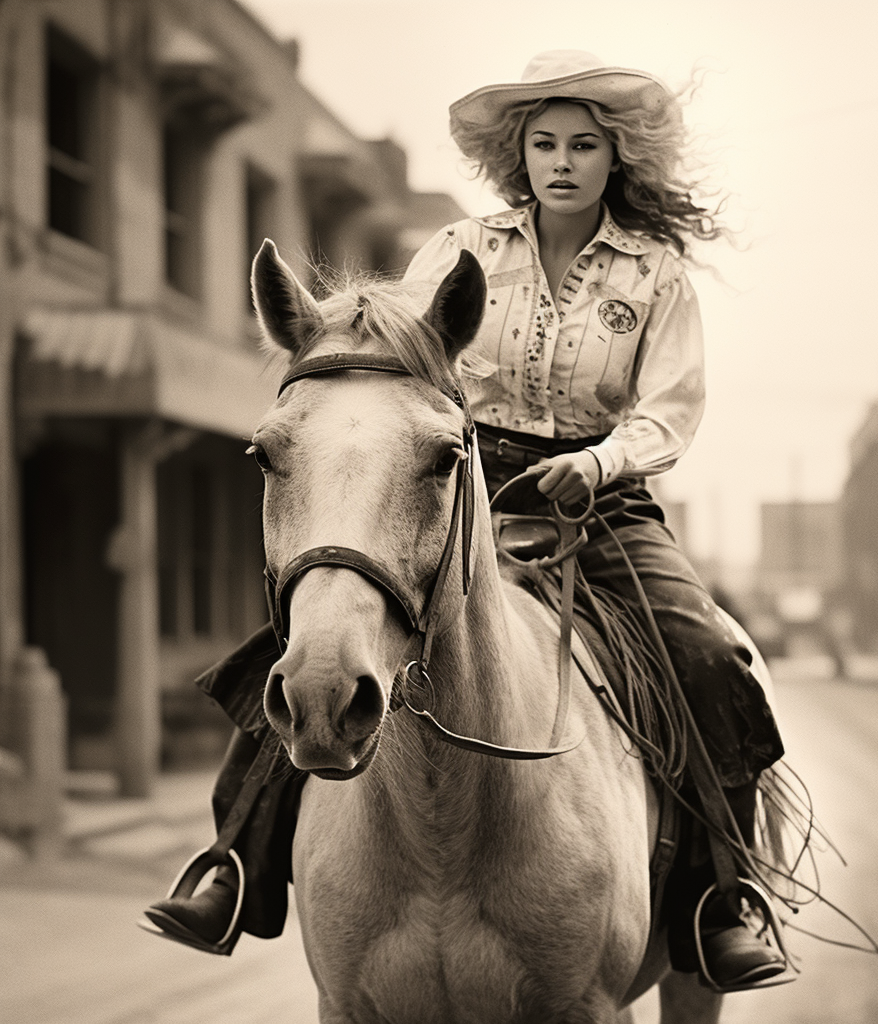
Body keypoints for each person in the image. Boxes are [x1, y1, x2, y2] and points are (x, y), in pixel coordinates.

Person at [142, 50, 789, 993]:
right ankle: (234, 863)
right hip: (459, 481)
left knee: (709, 657)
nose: (562, 162)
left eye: (583, 145)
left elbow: (671, 410)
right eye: (543, 144)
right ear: (516, 157)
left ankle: (719, 897)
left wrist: (599, 460)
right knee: (306, 638)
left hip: (604, 501)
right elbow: (397, 371)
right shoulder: (457, 251)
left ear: (617, 159)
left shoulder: (657, 274)